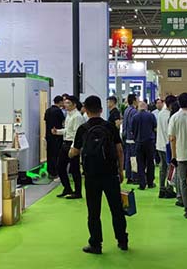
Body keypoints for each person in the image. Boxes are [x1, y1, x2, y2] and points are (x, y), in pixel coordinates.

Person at [69, 95, 128, 254]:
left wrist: (70, 153)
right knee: (116, 209)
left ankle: (96, 244)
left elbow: (75, 151)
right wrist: (120, 170)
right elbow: (119, 150)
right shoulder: (110, 127)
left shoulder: (83, 129)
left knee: (93, 211)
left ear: (86, 111)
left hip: (91, 175)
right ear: (101, 110)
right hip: (110, 173)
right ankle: (122, 240)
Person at [52, 95, 86, 199]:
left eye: (68, 103)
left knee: (75, 169)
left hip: (73, 144)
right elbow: (67, 130)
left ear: (74, 105)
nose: (65, 105)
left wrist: (74, 147)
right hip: (65, 143)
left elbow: (77, 134)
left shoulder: (77, 116)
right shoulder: (68, 115)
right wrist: (57, 132)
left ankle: (78, 192)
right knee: (60, 167)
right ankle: (67, 188)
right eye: (65, 103)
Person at [132, 101, 157, 190]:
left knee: (140, 163)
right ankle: (150, 182)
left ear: (139, 107)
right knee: (150, 163)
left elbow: (132, 130)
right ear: (146, 107)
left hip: (139, 142)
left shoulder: (135, 117)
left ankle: (142, 184)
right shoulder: (151, 116)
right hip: (149, 142)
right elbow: (155, 127)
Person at [156, 95, 176, 198]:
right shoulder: (170, 115)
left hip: (159, 144)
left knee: (162, 168)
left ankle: (162, 189)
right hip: (167, 146)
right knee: (170, 168)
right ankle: (169, 189)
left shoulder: (160, 113)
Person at [44, 96, 66, 178]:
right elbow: (63, 122)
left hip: (48, 135)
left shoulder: (48, 110)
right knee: (56, 154)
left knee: (49, 154)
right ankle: (55, 172)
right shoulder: (58, 111)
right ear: (60, 102)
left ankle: (50, 171)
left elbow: (45, 121)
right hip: (57, 136)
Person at [122, 94, 139, 184]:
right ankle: (134, 176)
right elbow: (134, 125)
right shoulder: (134, 111)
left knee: (128, 158)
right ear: (134, 101)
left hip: (127, 137)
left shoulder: (126, 110)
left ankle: (128, 176)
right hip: (133, 138)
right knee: (134, 158)